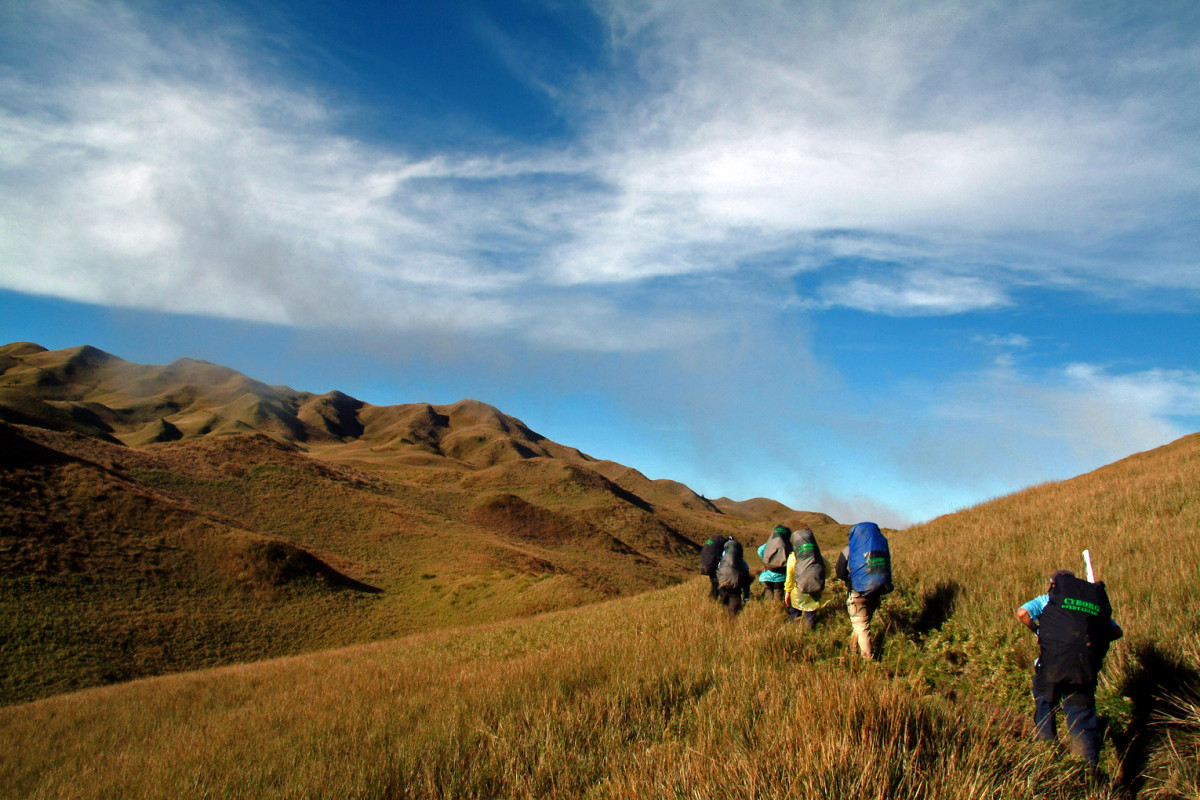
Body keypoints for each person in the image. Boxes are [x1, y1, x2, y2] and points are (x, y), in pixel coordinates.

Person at [1017, 570, 1123, 773]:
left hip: (1051, 667)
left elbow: (1022, 613)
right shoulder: (1093, 606)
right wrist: (1089, 643)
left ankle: (1045, 756)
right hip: (1084, 669)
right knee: (1081, 715)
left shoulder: (1049, 599)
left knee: (1045, 705)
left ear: (1053, 584)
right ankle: (1088, 771)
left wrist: (1039, 632)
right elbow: (1117, 632)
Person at [835, 522, 893, 660]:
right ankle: (853, 650)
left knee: (862, 626)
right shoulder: (880, 548)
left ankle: (867, 660)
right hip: (876, 591)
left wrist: (849, 581)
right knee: (862, 623)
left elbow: (839, 572)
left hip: (857, 592)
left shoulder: (848, 550)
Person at [784, 528, 825, 629]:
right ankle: (809, 631)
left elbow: (790, 575)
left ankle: (795, 629)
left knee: (796, 608)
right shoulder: (817, 555)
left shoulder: (793, 556)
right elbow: (827, 569)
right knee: (810, 611)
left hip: (798, 588)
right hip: (815, 585)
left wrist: (788, 591)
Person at [714, 537, 752, 616]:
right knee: (734, 597)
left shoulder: (723, 559)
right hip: (735, 582)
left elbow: (718, 569)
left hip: (722, 582)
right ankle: (732, 617)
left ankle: (725, 611)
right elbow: (746, 574)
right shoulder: (740, 560)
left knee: (726, 599)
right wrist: (746, 594)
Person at [757, 525, 791, 605]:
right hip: (781, 576)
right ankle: (776, 611)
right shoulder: (787, 544)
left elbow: (760, 550)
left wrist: (766, 560)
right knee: (778, 596)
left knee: (768, 592)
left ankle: (769, 611)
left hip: (767, 573)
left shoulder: (770, 542)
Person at [699, 535, 728, 601]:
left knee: (714, 582)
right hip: (711, 564)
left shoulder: (713, 541)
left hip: (705, 564)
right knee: (718, 582)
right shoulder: (720, 542)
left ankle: (713, 598)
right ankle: (723, 599)